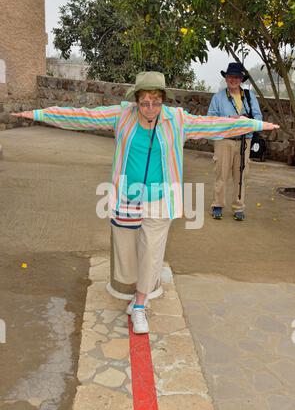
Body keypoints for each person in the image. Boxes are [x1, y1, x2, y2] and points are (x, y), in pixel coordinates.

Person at [13, 71, 278, 334]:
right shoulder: (122, 115)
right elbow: (82, 115)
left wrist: (255, 126)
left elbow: (216, 124)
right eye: (144, 101)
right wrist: (39, 114)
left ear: (163, 99)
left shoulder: (176, 119)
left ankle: (140, 303)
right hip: (127, 195)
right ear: (136, 100)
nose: (150, 108)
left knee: (152, 251)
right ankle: (134, 292)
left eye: (156, 101)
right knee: (126, 253)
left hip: (161, 198)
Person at [208, 62, 263, 221]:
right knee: (221, 174)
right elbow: (210, 119)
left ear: (241, 79)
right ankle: (217, 205)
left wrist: (246, 120)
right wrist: (228, 120)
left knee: (241, 176)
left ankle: (239, 207)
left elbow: (258, 118)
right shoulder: (218, 97)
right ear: (226, 78)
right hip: (224, 140)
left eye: (237, 77)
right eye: (230, 76)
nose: (233, 80)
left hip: (244, 141)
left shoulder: (249, 96)